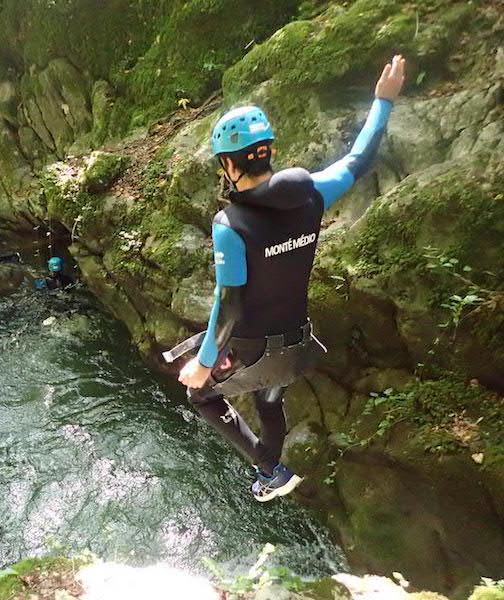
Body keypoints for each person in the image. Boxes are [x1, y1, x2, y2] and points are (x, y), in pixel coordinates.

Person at [170, 55, 406, 502]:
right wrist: (383, 101)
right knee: (269, 399)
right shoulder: (313, 193)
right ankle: (270, 474)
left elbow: (230, 305)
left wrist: (202, 364)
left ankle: (271, 471)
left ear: (229, 165)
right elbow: (359, 158)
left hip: (255, 348)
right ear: (268, 152)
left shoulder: (230, 224)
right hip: (295, 344)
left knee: (200, 396)